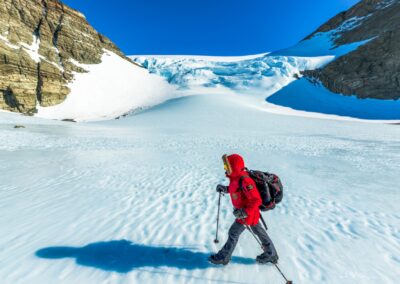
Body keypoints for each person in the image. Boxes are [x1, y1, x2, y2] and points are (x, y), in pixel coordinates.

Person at [209, 153, 278, 265]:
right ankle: (271, 253)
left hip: (247, 214)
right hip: (247, 213)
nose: (225, 168)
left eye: (227, 166)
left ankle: (224, 257)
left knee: (233, 233)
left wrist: (244, 212)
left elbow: (256, 200)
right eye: (225, 166)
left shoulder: (245, 180)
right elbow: (236, 190)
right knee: (258, 231)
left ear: (234, 166)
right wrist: (225, 189)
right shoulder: (235, 178)